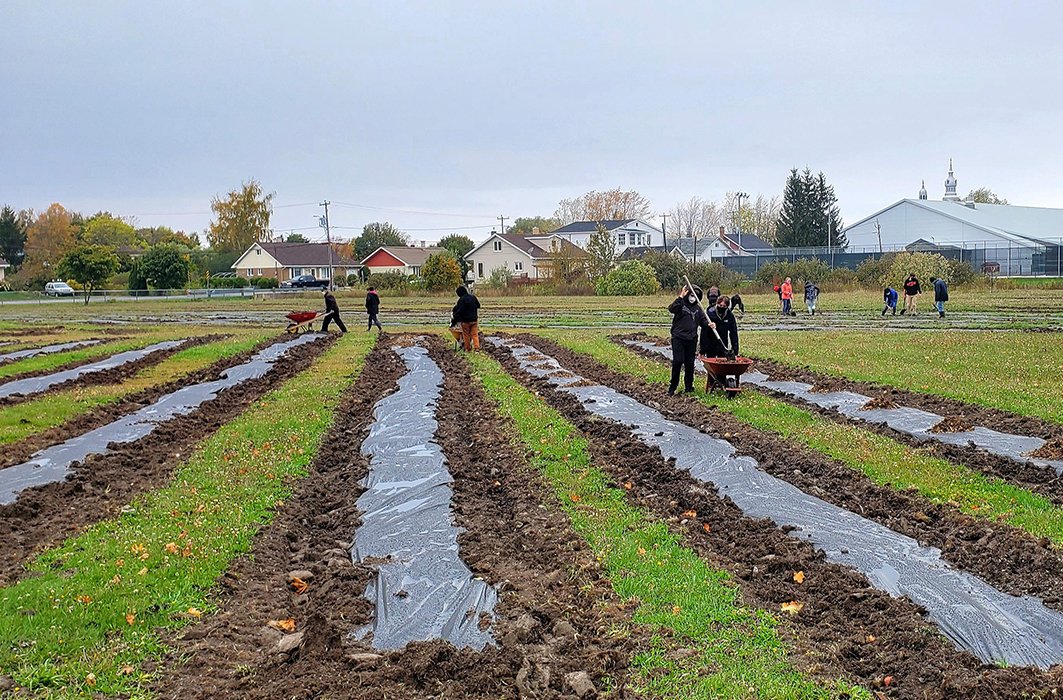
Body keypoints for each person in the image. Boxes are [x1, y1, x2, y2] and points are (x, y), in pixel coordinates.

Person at [667, 285, 713, 395]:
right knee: (678, 362)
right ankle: (673, 386)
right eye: (691, 295)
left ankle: (689, 386)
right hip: (678, 338)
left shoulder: (698, 309)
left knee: (689, 363)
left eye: (695, 296)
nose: (693, 297)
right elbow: (671, 308)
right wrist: (681, 296)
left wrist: (709, 324)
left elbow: (703, 322)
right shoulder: (681, 304)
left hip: (691, 339)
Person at [451, 286, 481, 351]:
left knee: (466, 335)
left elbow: (459, 310)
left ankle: (467, 348)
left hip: (465, 321)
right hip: (474, 320)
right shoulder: (473, 297)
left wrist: (454, 320)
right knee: (474, 334)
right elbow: (478, 305)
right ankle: (477, 348)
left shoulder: (461, 300)